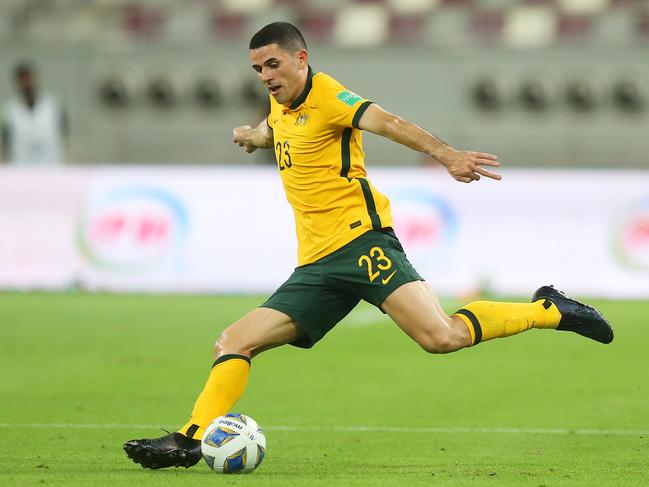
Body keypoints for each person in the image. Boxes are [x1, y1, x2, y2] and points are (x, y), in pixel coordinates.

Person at [123, 22, 613, 470]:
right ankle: (189, 440)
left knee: (441, 337)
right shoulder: (281, 102)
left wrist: (446, 154)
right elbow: (281, 129)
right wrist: (256, 136)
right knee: (234, 341)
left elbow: (389, 123)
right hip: (316, 265)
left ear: (301, 58)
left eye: (273, 64)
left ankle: (550, 309)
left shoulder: (331, 96)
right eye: (257, 69)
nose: (265, 76)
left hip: (362, 243)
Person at [1, 62, 68, 165]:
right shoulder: (8, 110)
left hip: (51, 170)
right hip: (20, 171)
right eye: (22, 79)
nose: (27, 83)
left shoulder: (54, 106)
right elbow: (5, 140)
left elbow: (64, 134)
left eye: (29, 77)